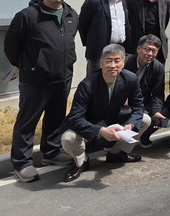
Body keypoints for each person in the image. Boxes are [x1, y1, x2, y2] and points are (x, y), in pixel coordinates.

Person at [4, 0, 79, 183]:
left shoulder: (71, 14)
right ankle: (22, 163)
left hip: (62, 77)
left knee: (55, 118)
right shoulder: (28, 16)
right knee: (27, 122)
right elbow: (11, 46)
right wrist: (28, 66)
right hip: (35, 80)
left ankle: (51, 152)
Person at [60, 44, 150, 182]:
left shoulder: (130, 79)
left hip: (114, 118)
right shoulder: (87, 84)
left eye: (117, 60)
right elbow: (75, 118)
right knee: (68, 138)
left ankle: (117, 153)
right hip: (90, 122)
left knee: (145, 119)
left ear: (123, 63)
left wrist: (131, 125)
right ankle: (82, 162)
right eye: (108, 61)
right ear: (101, 63)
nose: (112, 65)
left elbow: (138, 107)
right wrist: (101, 131)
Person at [79, 0, 131, 74]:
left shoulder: (124, 2)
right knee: (95, 80)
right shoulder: (94, 1)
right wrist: (92, 43)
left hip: (120, 49)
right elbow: (82, 24)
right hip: (99, 51)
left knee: (117, 80)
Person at [124, 35, 166, 148]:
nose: (150, 54)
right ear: (138, 49)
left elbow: (158, 93)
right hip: (122, 101)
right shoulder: (126, 61)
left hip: (141, 101)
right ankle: (115, 141)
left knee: (158, 120)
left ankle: (143, 136)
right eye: (147, 49)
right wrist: (122, 98)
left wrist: (156, 111)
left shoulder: (158, 67)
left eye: (154, 51)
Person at [126, 0, 170, 64]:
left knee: (158, 70)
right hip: (139, 45)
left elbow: (165, 22)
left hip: (158, 45)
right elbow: (128, 22)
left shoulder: (166, 0)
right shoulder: (131, 1)